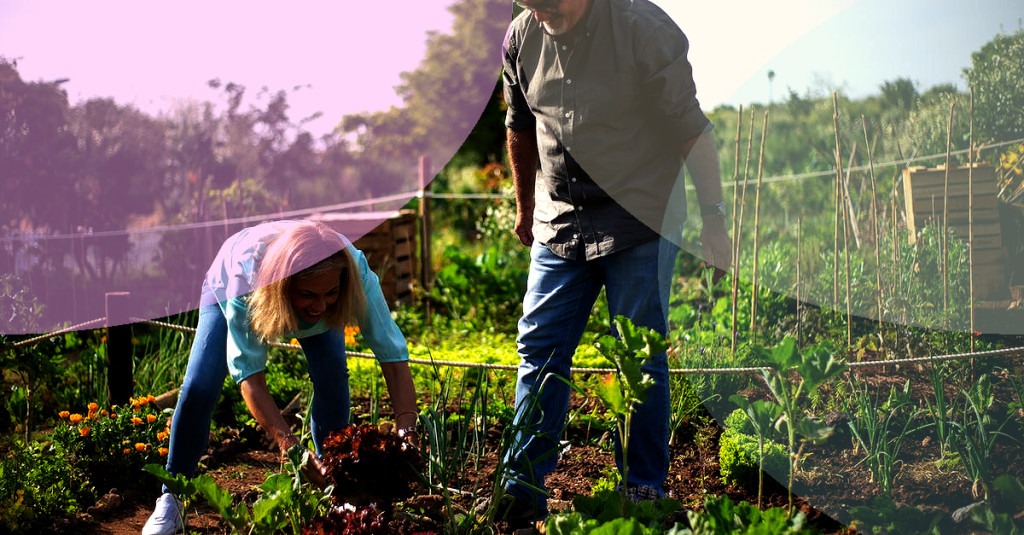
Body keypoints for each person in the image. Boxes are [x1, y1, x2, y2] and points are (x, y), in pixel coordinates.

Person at [498, 0, 731, 526]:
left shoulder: (641, 27)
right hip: (561, 218)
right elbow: (518, 123)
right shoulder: (520, 36)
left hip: (641, 214)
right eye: (530, 4)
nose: (541, 14)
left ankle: (643, 489)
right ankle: (521, 486)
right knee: (539, 345)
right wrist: (525, 206)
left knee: (639, 354)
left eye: (550, 3)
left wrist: (714, 219)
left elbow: (690, 127)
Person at [143, 220, 419, 535]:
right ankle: (172, 497)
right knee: (199, 388)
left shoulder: (353, 271)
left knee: (332, 379)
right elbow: (251, 378)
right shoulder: (246, 280)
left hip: (304, 292)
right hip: (235, 284)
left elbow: (394, 359)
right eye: (309, 294)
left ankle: (336, 489)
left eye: (331, 292)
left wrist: (406, 430)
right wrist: (291, 447)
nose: (320, 304)